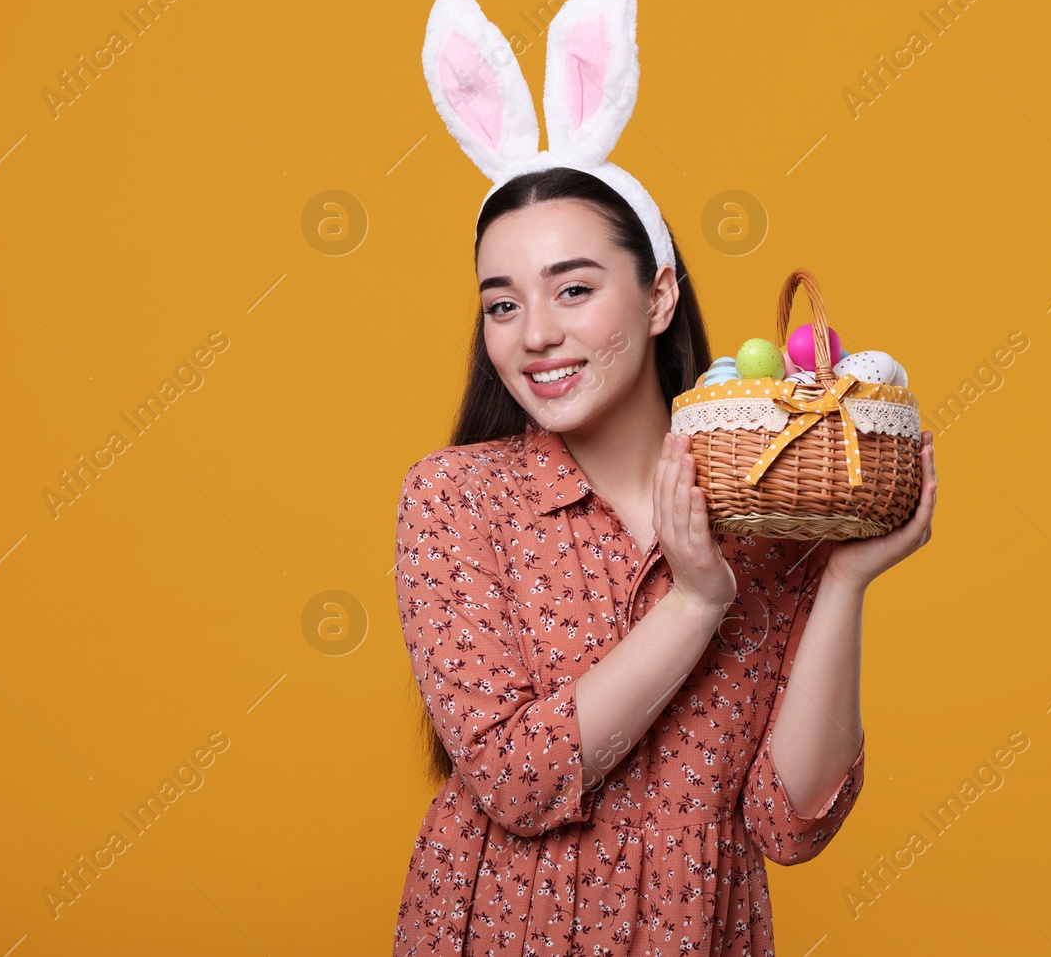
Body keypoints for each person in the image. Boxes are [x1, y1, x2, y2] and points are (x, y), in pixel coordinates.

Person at [391, 166, 938, 956]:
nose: (535, 333)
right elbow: (519, 778)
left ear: (659, 297)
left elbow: (788, 821)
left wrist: (845, 577)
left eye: (572, 290)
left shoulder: (767, 513)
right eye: (503, 305)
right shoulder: (455, 499)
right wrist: (695, 601)